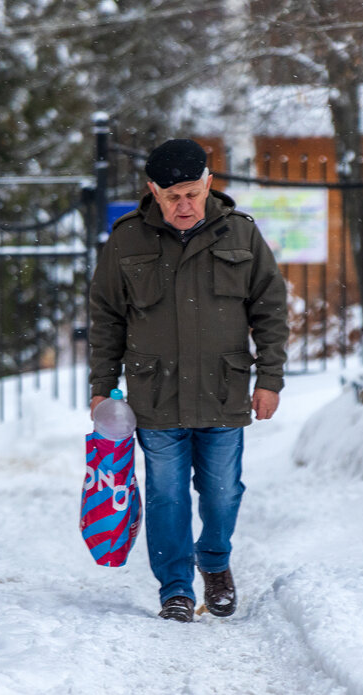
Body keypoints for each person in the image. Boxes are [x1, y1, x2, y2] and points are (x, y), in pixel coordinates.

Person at [88, 138, 289, 622]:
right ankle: (175, 587)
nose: (184, 205)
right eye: (173, 195)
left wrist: (271, 379)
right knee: (167, 496)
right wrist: (101, 385)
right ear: (153, 191)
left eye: (192, 194)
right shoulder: (127, 240)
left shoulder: (239, 235)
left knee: (223, 491)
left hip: (224, 391)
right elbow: (106, 318)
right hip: (155, 394)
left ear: (208, 185)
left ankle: (215, 563)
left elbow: (270, 309)